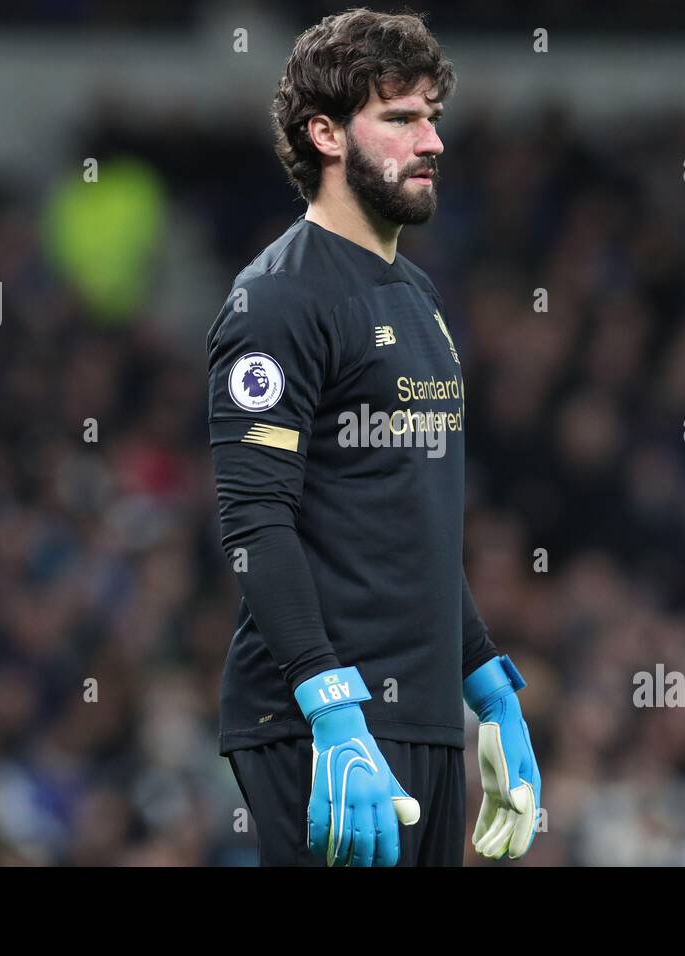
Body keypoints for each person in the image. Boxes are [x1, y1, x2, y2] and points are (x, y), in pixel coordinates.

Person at [206, 7, 540, 867]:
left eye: (432, 115)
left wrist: (488, 687)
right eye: (399, 118)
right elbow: (254, 527)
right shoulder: (277, 302)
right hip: (324, 731)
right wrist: (331, 710)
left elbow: (415, 525)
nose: (430, 140)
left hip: (423, 720)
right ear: (325, 134)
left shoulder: (419, 298)